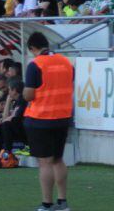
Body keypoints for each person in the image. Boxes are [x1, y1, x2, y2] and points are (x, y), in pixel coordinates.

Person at [22, 31, 74, 211]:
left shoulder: (35, 64)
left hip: (40, 118)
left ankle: (46, 203)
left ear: (32, 48)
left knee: (44, 162)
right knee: (58, 159)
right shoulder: (66, 62)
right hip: (62, 116)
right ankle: (63, 202)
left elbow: (29, 95)